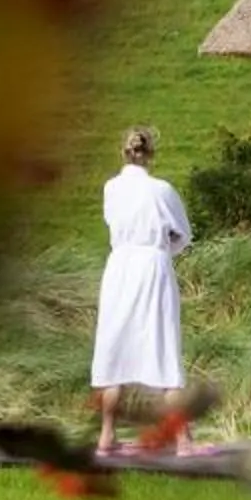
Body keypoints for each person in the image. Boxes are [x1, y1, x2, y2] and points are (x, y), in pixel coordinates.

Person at [91, 125, 203, 457]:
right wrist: (164, 248)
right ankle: (182, 440)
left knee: (112, 348)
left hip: (120, 267)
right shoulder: (162, 190)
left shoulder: (111, 189)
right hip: (152, 266)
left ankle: (106, 436)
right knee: (164, 347)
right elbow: (182, 234)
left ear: (123, 152)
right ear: (150, 154)